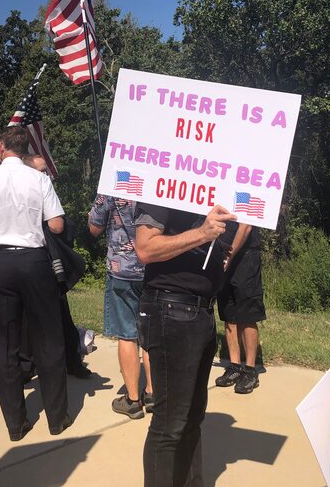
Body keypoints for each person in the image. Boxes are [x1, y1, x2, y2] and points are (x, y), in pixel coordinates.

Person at [0, 126, 70, 441]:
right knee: (48, 337)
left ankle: (16, 422)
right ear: (25, 151)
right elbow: (57, 224)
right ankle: (57, 417)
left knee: (5, 342)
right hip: (34, 261)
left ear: (1, 147)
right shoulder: (39, 179)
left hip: (1, 262)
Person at [135, 202, 236, 487]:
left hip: (202, 312)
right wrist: (203, 233)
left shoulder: (218, 191)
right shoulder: (163, 183)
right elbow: (145, 248)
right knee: (169, 425)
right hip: (171, 310)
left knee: (191, 420)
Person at [24, 154, 92, 379]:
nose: (46, 175)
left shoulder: (47, 191)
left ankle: (72, 361)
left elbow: (60, 227)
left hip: (50, 266)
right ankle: (26, 365)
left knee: (62, 315)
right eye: (41, 171)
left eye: (47, 171)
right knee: (25, 317)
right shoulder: (22, 194)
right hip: (30, 262)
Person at [89, 194, 152, 418]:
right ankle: (152, 393)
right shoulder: (156, 179)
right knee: (149, 332)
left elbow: (94, 227)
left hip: (122, 269)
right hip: (153, 269)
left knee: (128, 335)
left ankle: (133, 399)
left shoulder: (113, 184)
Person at [215, 223, 265, 394]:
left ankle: (250, 371)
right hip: (224, 254)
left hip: (246, 255)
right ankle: (235, 366)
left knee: (247, 314)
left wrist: (228, 257)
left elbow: (246, 227)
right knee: (229, 313)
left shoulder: (247, 196)